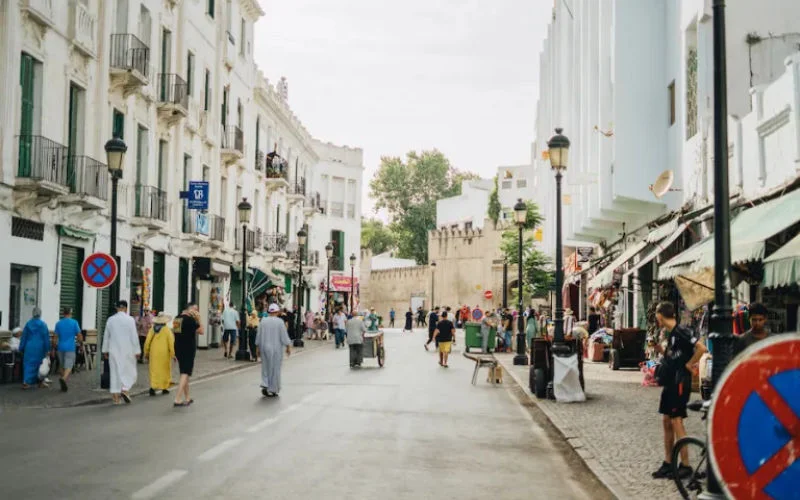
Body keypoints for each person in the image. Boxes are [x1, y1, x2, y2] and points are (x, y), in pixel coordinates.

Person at [651, 301, 707, 480]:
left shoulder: (681, 331)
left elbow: (701, 348)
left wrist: (690, 364)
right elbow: (675, 357)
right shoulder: (673, 334)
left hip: (680, 382)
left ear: (660, 316)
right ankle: (669, 463)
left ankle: (686, 465)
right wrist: (661, 350)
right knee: (667, 420)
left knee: (676, 421)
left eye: (657, 317)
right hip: (670, 381)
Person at [102, 300, 140, 404]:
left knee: (114, 373)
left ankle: (116, 398)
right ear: (126, 308)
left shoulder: (110, 320)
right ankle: (125, 389)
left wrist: (105, 350)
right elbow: (134, 336)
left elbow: (106, 336)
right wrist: (137, 350)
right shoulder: (130, 320)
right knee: (128, 371)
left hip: (113, 350)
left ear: (117, 308)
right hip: (128, 350)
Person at [256, 303, 292, 397]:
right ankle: (273, 388)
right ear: (277, 312)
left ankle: (265, 383)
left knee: (265, 367)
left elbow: (258, 336)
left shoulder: (263, 321)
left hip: (264, 347)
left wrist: (257, 348)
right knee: (275, 368)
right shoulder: (280, 322)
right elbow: (284, 336)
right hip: (276, 349)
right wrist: (288, 346)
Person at [172, 302, 203, 407]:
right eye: (195, 310)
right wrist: (199, 319)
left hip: (178, 347)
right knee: (185, 373)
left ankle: (187, 397)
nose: (197, 312)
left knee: (184, 373)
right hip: (188, 348)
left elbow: (175, 333)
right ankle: (177, 398)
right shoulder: (190, 320)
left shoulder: (177, 318)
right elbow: (201, 331)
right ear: (190, 309)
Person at [144, 312, 174, 396]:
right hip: (164, 353)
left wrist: (146, 352)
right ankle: (164, 387)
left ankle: (153, 387)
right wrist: (173, 354)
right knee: (164, 369)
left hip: (154, 353)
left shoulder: (152, 329)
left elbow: (147, 341)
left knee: (154, 370)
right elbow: (171, 343)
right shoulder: (167, 330)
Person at [19, 307, 50, 389]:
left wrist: (21, 347)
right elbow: (46, 338)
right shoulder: (43, 325)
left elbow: (24, 337)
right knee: (40, 365)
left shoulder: (28, 324)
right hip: (40, 347)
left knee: (28, 364)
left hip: (29, 346)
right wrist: (47, 349)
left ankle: (26, 382)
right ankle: (40, 382)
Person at [54, 307, 81, 392]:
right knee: (69, 365)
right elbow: (79, 335)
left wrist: (53, 346)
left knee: (62, 365)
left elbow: (55, 337)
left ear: (63, 313)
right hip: (70, 347)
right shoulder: (74, 323)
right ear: (70, 313)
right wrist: (81, 343)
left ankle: (63, 382)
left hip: (60, 347)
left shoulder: (58, 323)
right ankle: (64, 378)